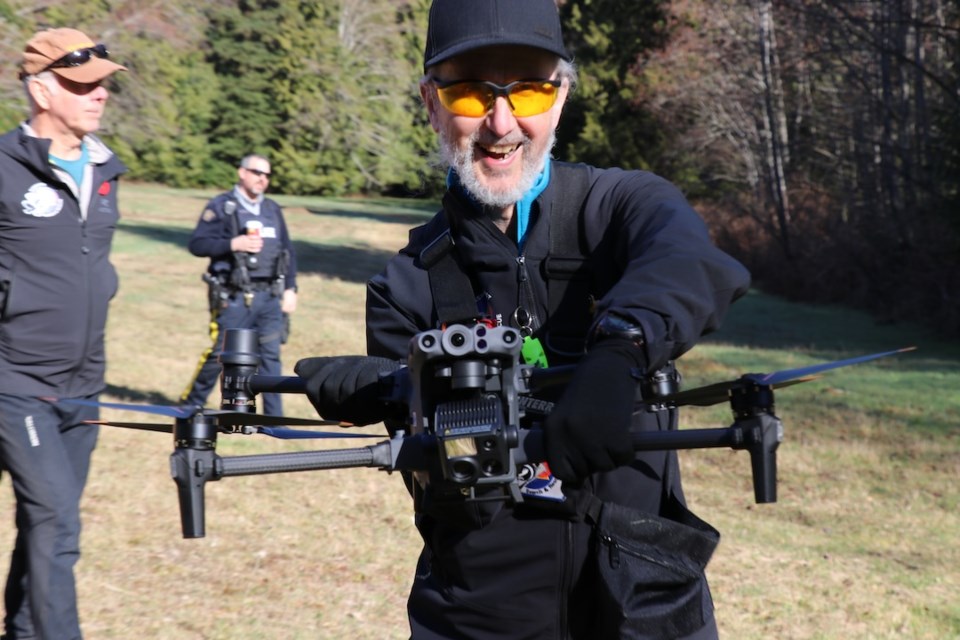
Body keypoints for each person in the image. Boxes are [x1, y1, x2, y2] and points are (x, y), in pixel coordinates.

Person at [296, 1, 752, 638]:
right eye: (469, 92)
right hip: (481, 609)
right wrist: (397, 389)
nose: (501, 123)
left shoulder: (620, 206)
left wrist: (620, 350)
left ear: (560, 98)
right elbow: (435, 484)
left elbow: (686, 258)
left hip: (648, 599)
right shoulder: (405, 285)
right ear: (431, 102)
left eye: (531, 91)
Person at [0, 27, 127, 640]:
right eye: (83, 85)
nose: (99, 94)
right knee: (58, 519)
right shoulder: (4, 168)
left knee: (45, 523)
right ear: (41, 90)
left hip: (84, 384)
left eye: (103, 83)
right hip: (15, 381)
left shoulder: (106, 169)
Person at [180, 154, 298, 416]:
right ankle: (190, 407)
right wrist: (234, 244)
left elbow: (287, 250)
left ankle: (274, 420)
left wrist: (291, 287)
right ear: (241, 173)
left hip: (269, 296)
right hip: (233, 297)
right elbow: (197, 244)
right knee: (220, 356)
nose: (262, 179)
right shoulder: (222, 206)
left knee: (270, 357)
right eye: (257, 172)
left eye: (267, 175)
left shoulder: (272, 209)